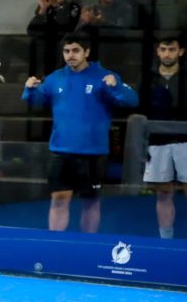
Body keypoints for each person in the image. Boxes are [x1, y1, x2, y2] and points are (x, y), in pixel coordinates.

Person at [22, 35, 139, 233]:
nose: (70, 55)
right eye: (66, 51)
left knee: (91, 202)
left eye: (75, 50)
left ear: (87, 52)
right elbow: (36, 101)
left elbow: (132, 100)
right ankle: (56, 243)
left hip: (93, 152)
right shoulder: (55, 78)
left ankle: (88, 244)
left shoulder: (104, 76)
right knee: (59, 199)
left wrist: (116, 86)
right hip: (61, 150)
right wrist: (30, 89)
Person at [141, 35, 187, 240]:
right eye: (163, 49)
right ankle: (166, 241)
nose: (167, 54)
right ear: (158, 51)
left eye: (171, 50)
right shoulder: (148, 80)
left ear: (180, 52)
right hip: (157, 143)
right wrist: (143, 146)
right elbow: (142, 115)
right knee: (163, 194)